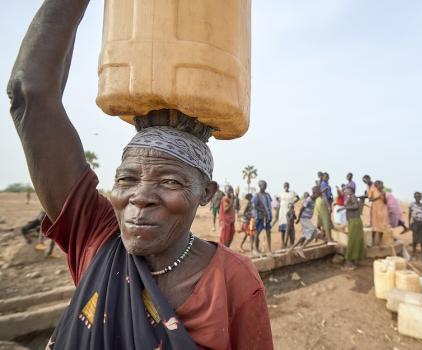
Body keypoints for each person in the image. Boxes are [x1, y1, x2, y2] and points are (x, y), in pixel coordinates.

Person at [7, 1, 272, 348]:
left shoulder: (233, 278)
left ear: (206, 193)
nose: (140, 196)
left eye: (170, 181)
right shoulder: (97, 238)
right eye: (126, 179)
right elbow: (29, 94)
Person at [291, 190, 320, 258]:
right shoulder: (308, 200)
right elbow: (301, 208)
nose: (318, 196)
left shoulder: (314, 198)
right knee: (314, 231)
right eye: (317, 194)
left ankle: (292, 248)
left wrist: (324, 190)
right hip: (304, 218)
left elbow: (320, 191)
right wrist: (298, 218)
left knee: (304, 236)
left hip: (307, 219)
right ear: (314, 193)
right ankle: (300, 249)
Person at [342, 187, 365, 270]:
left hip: (355, 222)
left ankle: (349, 263)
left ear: (350, 191)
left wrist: (346, 207)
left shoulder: (352, 197)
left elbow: (355, 206)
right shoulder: (350, 197)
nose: (344, 191)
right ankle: (352, 261)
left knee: (352, 241)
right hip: (354, 221)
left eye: (346, 190)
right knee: (354, 241)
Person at [408, 192, 422, 261]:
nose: (418, 198)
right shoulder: (412, 205)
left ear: (421, 197)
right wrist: (409, 224)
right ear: (414, 197)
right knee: (415, 240)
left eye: (419, 196)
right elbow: (409, 215)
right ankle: (413, 255)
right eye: (416, 196)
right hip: (415, 223)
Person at [252, 180, 273, 254]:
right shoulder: (257, 196)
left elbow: (269, 206)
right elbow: (254, 206)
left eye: (265, 185)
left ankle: (269, 249)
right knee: (257, 232)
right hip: (260, 217)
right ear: (260, 186)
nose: (265, 187)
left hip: (267, 217)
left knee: (268, 232)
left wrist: (269, 215)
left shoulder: (267, 195)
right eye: (263, 185)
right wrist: (262, 211)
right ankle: (256, 249)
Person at [277, 182, 300, 249]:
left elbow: (298, 198)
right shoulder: (281, 193)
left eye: (287, 186)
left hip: (289, 209)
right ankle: (283, 243)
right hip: (282, 211)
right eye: (285, 186)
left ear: (289, 186)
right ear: (283, 187)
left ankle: (291, 243)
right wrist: (280, 202)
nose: (286, 187)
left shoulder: (292, 192)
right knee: (283, 229)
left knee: (290, 227)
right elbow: (277, 198)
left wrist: (293, 202)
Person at [368, 180, 390, 246]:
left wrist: (384, 196)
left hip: (382, 209)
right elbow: (370, 199)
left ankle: (380, 242)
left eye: (382, 185)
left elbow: (386, 202)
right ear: (376, 186)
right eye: (380, 185)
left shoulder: (383, 192)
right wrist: (378, 197)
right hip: (375, 209)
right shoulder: (372, 190)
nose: (381, 187)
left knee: (381, 226)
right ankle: (373, 241)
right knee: (374, 226)